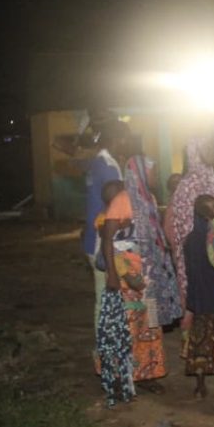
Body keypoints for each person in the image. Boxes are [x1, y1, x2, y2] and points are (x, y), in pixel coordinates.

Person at [101, 175, 168, 394]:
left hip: (148, 275)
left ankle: (148, 373)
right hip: (127, 277)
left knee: (151, 326)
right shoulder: (118, 205)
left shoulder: (148, 201)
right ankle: (120, 376)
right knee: (126, 328)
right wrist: (118, 274)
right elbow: (110, 245)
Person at [167, 138, 214, 350]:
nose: (212, 153)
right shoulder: (191, 183)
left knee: (204, 296)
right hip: (197, 249)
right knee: (197, 296)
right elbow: (178, 222)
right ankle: (193, 348)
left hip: (207, 246)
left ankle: (207, 345)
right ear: (196, 153)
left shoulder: (208, 178)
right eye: (207, 149)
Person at [124, 154, 182, 327]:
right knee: (142, 312)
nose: (156, 176)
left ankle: (153, 337)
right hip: (138, 266)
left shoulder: (149, 199)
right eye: (153, 172)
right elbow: (118, 241)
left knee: (153, 311)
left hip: (153, 265)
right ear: (141, 173)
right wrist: (128, 271)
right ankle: (146, 338)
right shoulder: (127, 201)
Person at [183, 194, 214, 399]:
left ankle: (201, 385)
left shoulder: (192, 239)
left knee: (202, 341)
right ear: (205, 215)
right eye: (213, 206)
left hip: (202, 296)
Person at [84, 120, 131, 329]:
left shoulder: (96, 163)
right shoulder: (110, 167)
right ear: (117, 139)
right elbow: (116, 208)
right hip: (104, 241)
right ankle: (104, 346)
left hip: (92, 237)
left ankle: (106, 345)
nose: (125, 144)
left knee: (103, 301)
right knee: (106, 303)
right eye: (124, 139)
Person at [94, 180, 135, 408]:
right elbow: (110, 242)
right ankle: (116, 378)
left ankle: (132, 377)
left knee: (135, 327)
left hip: (130, 273)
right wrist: (115, 274)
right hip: (118, 275)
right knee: (116, 329)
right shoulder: (104, 219)